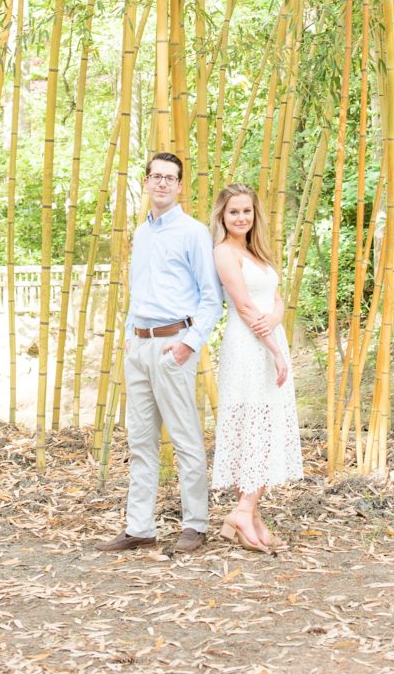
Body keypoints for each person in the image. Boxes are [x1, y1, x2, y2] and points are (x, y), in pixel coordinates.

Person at [97, 152, 223, 555]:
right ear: (147, 183)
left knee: (185, 439)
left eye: (170, 178)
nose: (163, 183)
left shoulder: (193, 232)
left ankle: (195, 525)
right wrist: (130, 338)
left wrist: (189, 343)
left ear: (181, 185)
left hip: (174, 345)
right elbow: (139, 290)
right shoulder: (143, 232)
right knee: (140, 441)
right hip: (139, 344)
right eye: (156, 176)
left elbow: (211, 297)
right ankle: (140, 528)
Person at [211, 182, 303, 553]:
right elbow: (245, 306)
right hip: (248, 346)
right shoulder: (223, 252)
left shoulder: (257, 252)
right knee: (252, 429)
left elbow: (276, 299)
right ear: (222, 215)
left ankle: (250, 514)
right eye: (234, 211)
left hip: (269, 339)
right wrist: (274, 350)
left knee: (264, 427)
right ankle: (242, 512)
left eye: (246, 211)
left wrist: (275, 327)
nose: (241, 217)